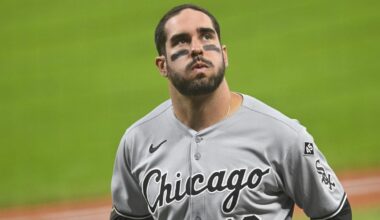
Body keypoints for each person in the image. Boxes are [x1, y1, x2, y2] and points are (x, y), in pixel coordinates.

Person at [110, 4, 352, 220]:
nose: (197, 49)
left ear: (224, 55)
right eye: (181, 41)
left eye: (206, 36)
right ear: (162, 65)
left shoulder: (283, 136)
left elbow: (334, 213)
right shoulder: (137, 142)